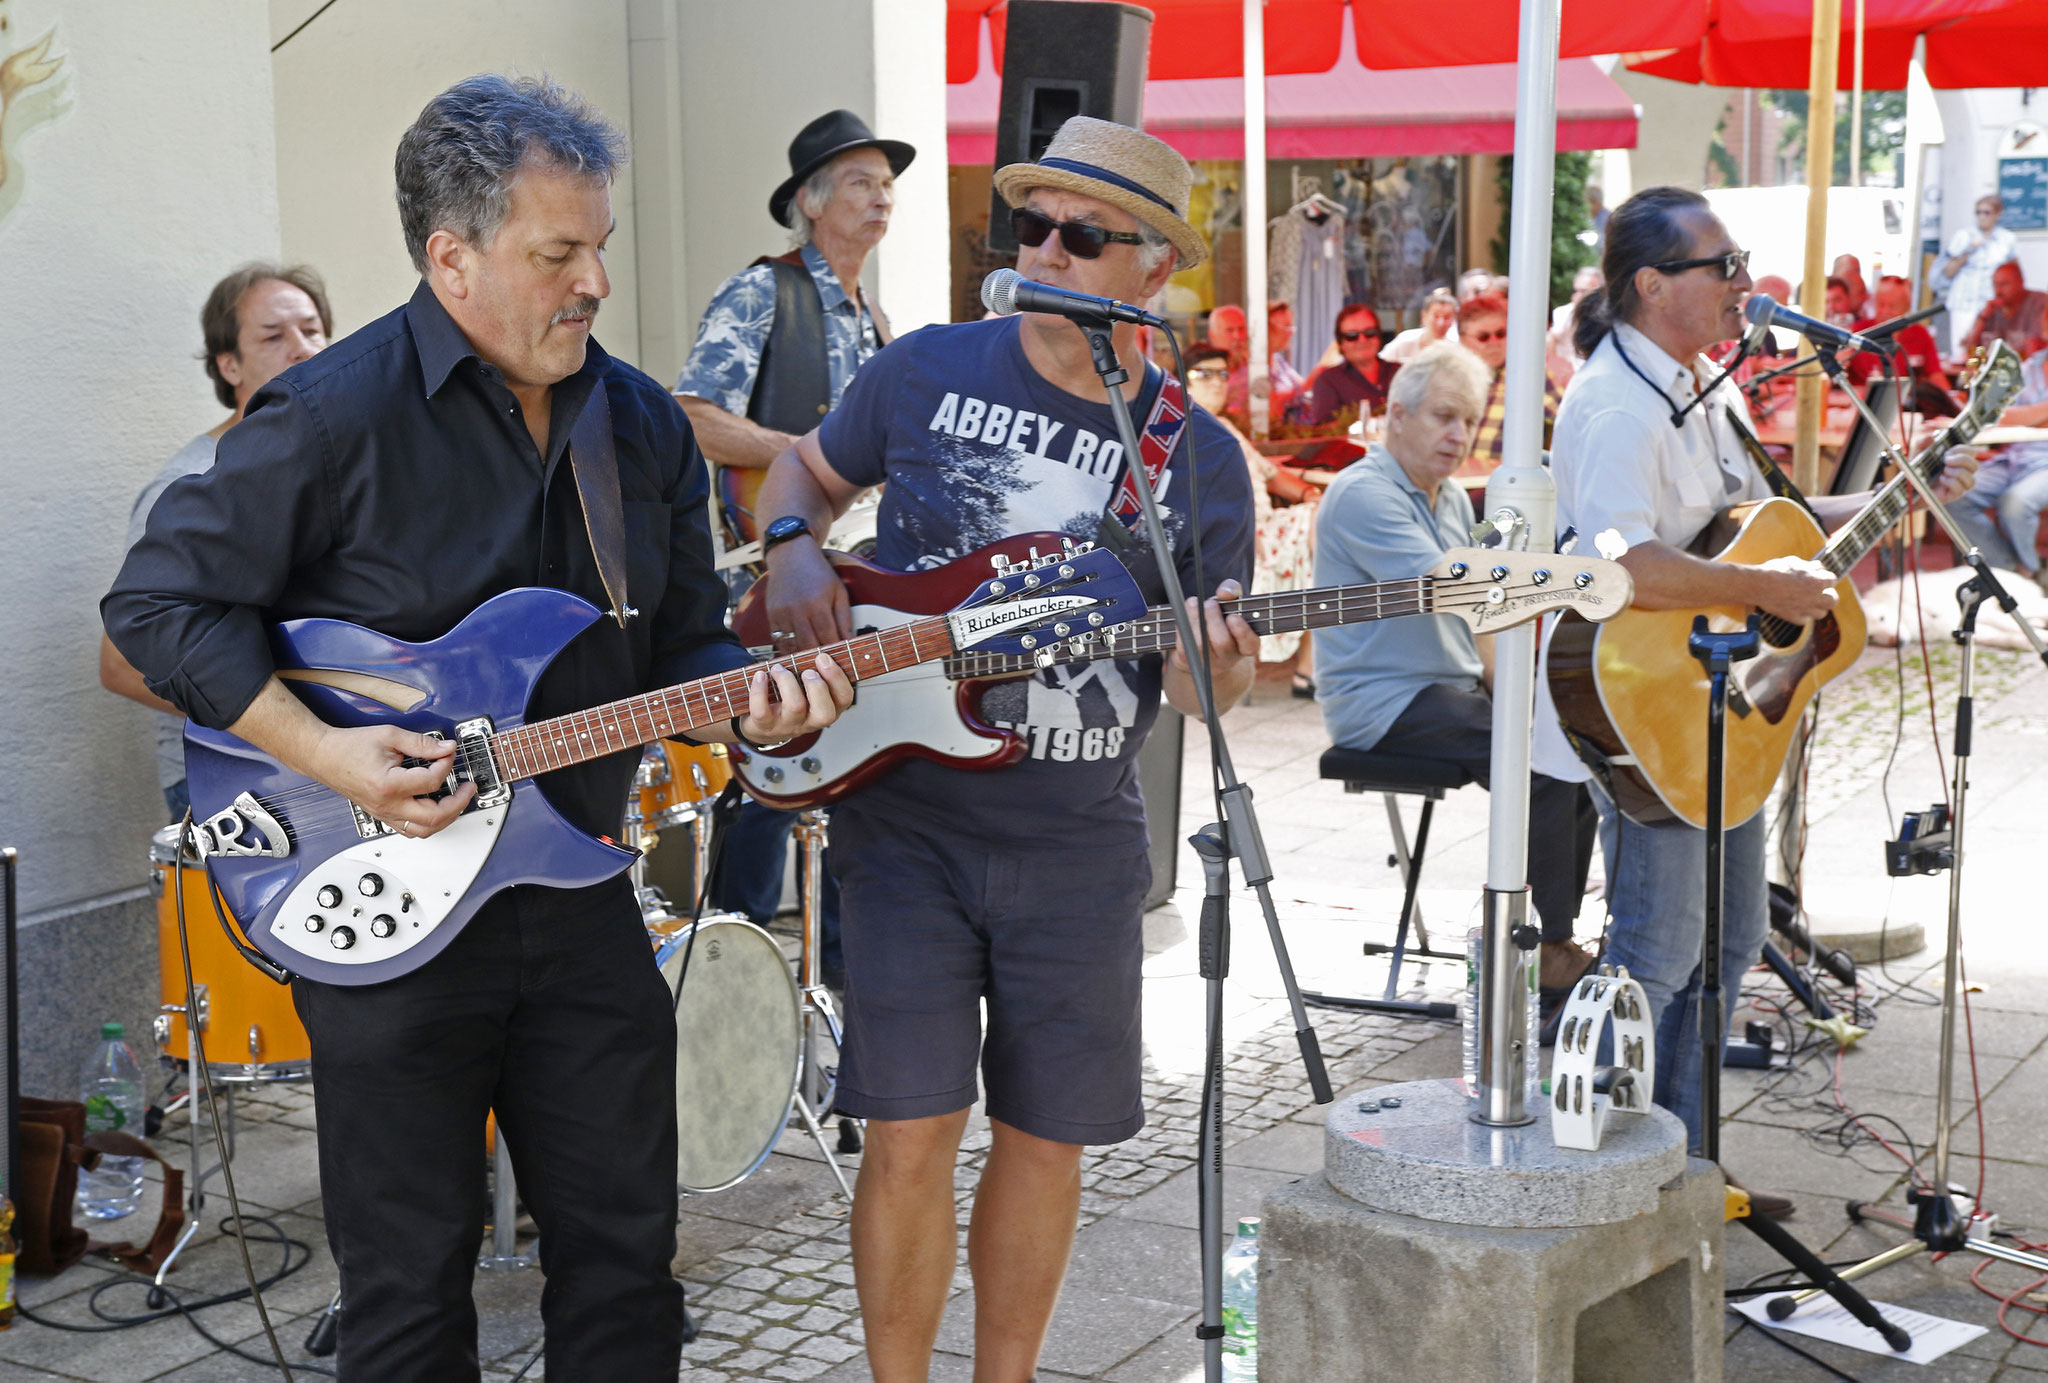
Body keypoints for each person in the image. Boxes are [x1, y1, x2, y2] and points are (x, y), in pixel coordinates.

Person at [103, 75, 854, 1379]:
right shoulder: (330, 416)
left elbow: (678, 645)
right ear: (451, 256)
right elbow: (159, 608)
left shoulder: (637, 425)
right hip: (383, 915)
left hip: (576, 894)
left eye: (600, 245)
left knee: (627, 1263)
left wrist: (755, 702)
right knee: (407, 1288)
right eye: (558, 252)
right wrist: (326, 750)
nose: (595, 281)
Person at [752, 115, 1256, 1382]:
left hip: (1078, 839)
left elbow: (1212, 693)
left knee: (1045, 1138)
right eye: (1029, 226)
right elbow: (796, 479)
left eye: (1083, 237)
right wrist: (794, 548)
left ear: (1149, 273)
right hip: (905, 820)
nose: (1046, 252)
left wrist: (1225, 658)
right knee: (909, 1133)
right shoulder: (923, 369)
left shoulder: (1193, 460)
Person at [1531, 186, 1976, 1201]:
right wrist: (1757, 590)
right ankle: (1588, 1185)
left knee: (1729, 942)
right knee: (1652, 948)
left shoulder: (1703, 386)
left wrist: (1881, 500)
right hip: (1636, 701)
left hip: (1715, 700)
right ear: (1651, 285)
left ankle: (1686, 1172)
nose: (1745, 284)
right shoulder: (1610, 404)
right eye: (1721, 266)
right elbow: (1620, 562)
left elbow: (1762, 522)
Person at [673, 108, 913, 983]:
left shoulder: (875, 316)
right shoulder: (761, 293)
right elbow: (693, 417)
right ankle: (733, 977)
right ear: (810, 202)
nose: (881, 197)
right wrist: (811, 466)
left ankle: (844, 979)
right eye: (860, 181)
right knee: (771, 772)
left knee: (856, 764)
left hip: (863, 575)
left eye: (887, 184)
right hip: (779, 566)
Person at [1315, 341, 1599, 996]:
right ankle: (1545, 948)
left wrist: (1526, 703)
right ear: (1396, 415)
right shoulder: (1363, 493)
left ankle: (1550, 930)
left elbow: (1487, 612)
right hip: (1383, 703)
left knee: (1570, 743)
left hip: (1442, 688)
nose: (1459, 434)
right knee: (1543, 759)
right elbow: (1462, 590)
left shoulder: (1442, 498)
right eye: (1444, 416)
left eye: (1468, 421)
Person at [100, 263, 331, 820]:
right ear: (229, 365)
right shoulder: (187, 485)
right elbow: (120, 664)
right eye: (273, 337)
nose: (302, 349)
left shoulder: (331, 459)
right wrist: (288, 726)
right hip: (228, 780)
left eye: (313, 330)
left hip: (323, 761)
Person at [1189, 341, 1319, 692]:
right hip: (1246, 534)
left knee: (1328, 522)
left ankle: (1314, 663)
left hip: (1273, 524)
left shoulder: (1225, 426)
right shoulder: (1187, 429)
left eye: (1221, 373)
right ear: (1185, 381)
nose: (1216, 381)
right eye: (1204, 374)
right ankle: (1313, 664)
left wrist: (1308, 492)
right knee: (1328, 535)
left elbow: (1271, 474)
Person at [1951, 346, 2048, 593]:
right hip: (2013, 458)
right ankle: (2009, 571)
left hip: (2042, 464)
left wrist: (2025, 415)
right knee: (1953, 492)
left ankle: (2030, 573)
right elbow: (1996, 415)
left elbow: (2005, 415)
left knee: (2016, 502)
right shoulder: (2027, 368)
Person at [1460, 290, 1561, 475]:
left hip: (1504, 486)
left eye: (1501, 334)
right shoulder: (1454, 379)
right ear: (1463, 340)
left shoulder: (1527, 377)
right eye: (1483, 337)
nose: (1494, 342)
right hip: (1453, 483)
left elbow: (1567, 423)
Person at [1938, 195, 2019, 352]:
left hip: (1992, 303)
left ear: (1998, 214)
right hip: (1965, 301)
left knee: (1991, 349)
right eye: (1978, 212)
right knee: (1962, 348)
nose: (1982, 217)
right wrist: (1969, 249)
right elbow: (1948, 272)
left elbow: (2014, 273)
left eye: (1987, 213)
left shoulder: (2007, 239)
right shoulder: (1963, 236)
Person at [1306, 301, 1397, 424]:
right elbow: (1328, 432)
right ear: (1340, 342)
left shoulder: (1401, 372)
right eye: (1352, 335)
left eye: (1369, 333)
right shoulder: (1328, 381)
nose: (1362, 340)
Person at [1960, 260, 2048, 359]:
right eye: (1995, 284)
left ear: (2020, 282)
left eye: (2004, 284)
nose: (1998, 291)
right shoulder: (1991, 309)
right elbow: (1968, 348)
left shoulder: (2038, 302)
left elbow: (2034, 349)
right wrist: (1982, 318)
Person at [1546, 265, 1604, 383]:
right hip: (1568, 382)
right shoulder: (1564, 313)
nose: (1577, 296)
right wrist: (1556, 373)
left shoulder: (1605, 316)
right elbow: (1549, 340)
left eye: (1583, 291)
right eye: (1576, 290)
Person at [1381, 287, 1458, 365]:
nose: (1440, 323)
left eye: (1447, 317)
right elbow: (1380, 363)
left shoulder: (1456, 349)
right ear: (1424, 315)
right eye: (1436, 316)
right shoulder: (1405, 340)